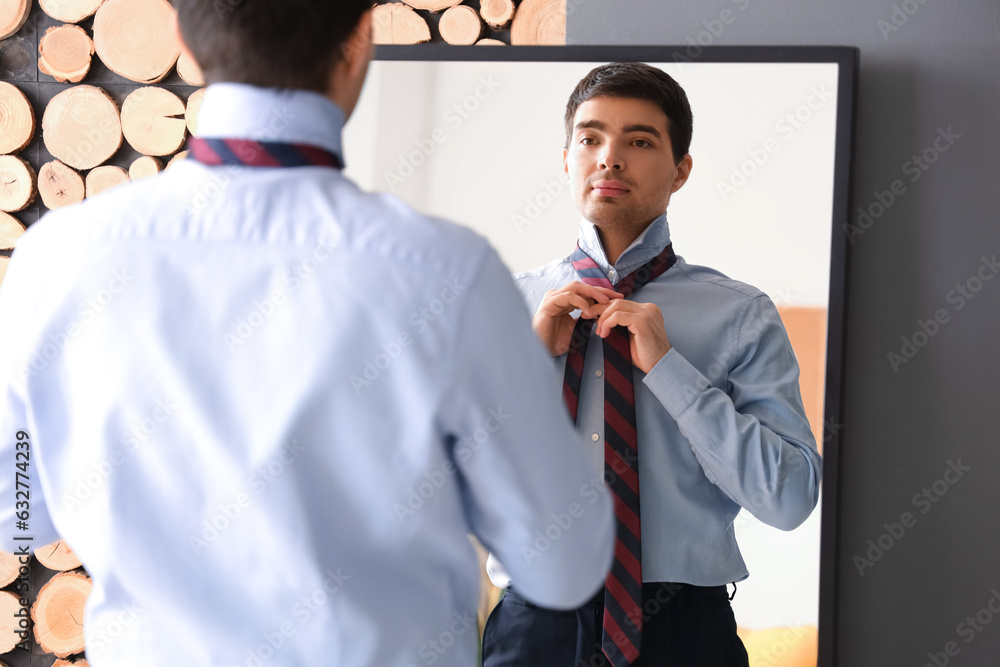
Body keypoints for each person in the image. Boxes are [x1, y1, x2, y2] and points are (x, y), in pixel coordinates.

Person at [0, 3, 616, 666]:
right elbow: (564, 563)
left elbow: (18, 508)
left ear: (182, 40)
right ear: (359, 40)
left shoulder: (57, 259)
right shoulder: (450, 273)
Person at [481, 63, 823, 667]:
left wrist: (670, 369)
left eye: (639, 141)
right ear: (566, 160)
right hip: (533, 632)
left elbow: (789, 497)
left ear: (681, 169)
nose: (609, 158)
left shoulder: (741, 314)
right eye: (590, 138)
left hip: (684, 632)